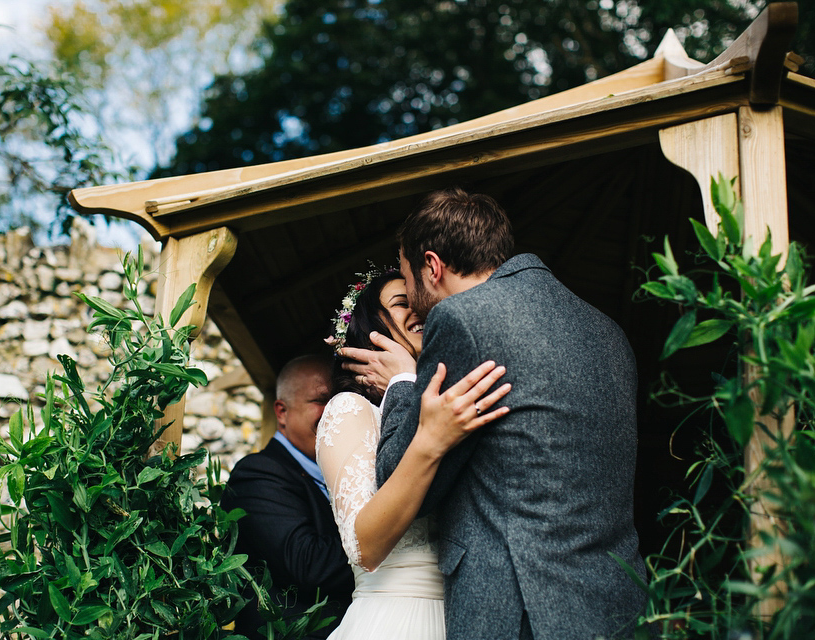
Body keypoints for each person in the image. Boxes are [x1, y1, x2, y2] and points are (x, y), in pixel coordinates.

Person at [340, 188, 648, 639]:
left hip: (520, 607)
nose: (410, 294)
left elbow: (398, 478)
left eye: (407, 280)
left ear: (432, 266)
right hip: (618, 602)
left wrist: (404, 383)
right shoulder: (608, 331)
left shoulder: (462, 319)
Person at [316, 269, 511, 640]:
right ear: (370, 326)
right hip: (395, 620)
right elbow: (365, 546)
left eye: (421, 299)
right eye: (402, 302)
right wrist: (428, 440)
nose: (419, 308)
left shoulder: (451, 407)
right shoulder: (351, 410)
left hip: (469, 618)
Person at [221, 355, 354, 640]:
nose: (336, 412)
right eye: (322, 400)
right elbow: (308, 565)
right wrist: (389, 532)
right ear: (281, 412)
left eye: (342, 400)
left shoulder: (343, 473)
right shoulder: (257, 474)